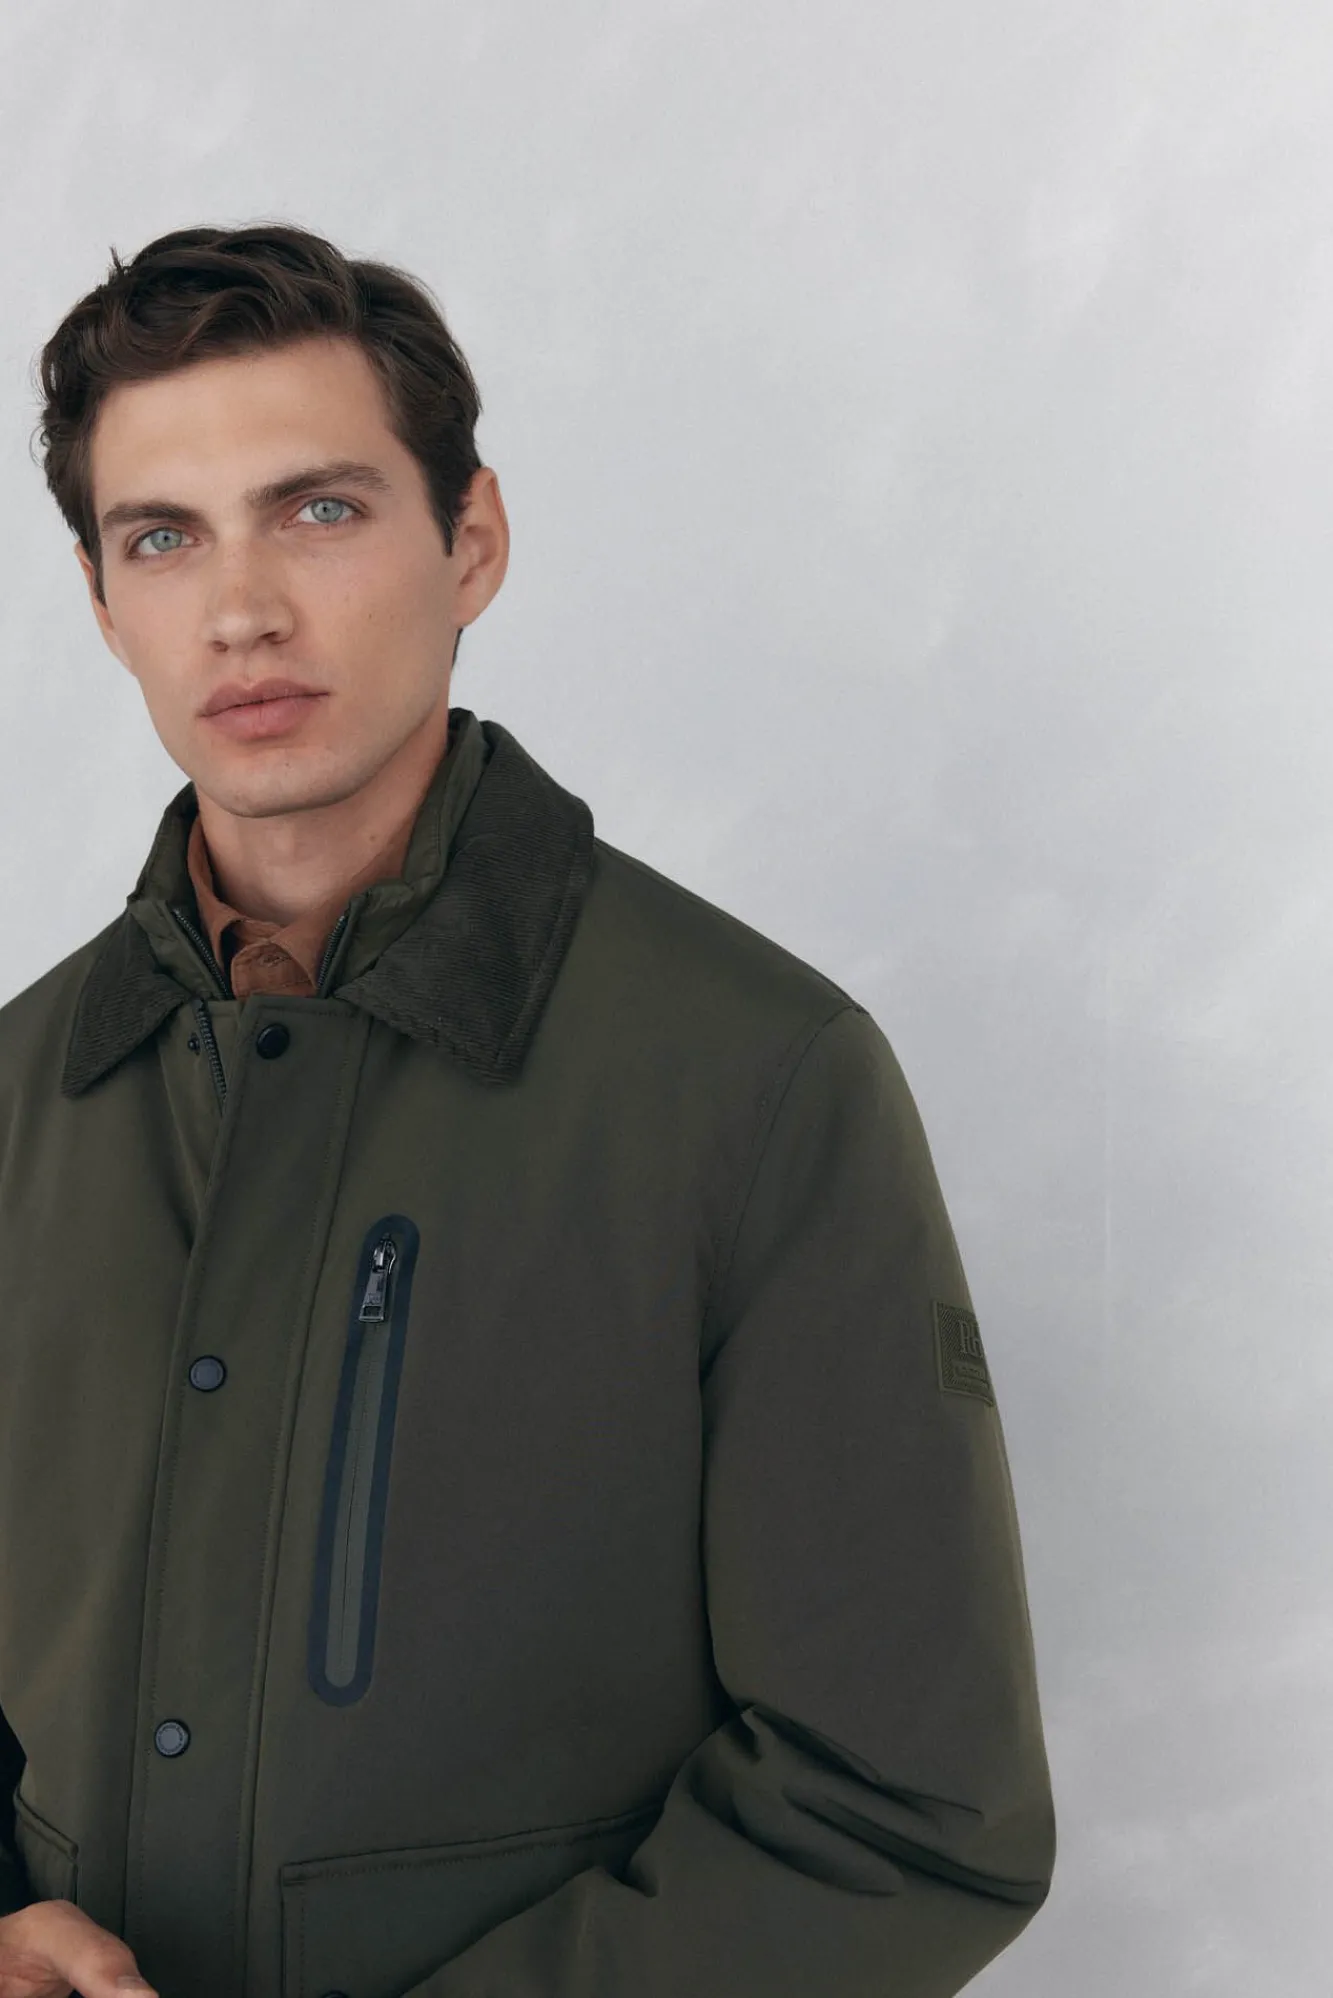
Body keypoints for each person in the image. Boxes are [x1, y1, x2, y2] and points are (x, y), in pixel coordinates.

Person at [0, 221, 1055, 1998]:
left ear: (471, 540)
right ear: (106, 605)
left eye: (317, 508)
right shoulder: (20, 1095)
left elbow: (906, 1811)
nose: (241, 608)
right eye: (163, 537)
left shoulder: (758, 1078)